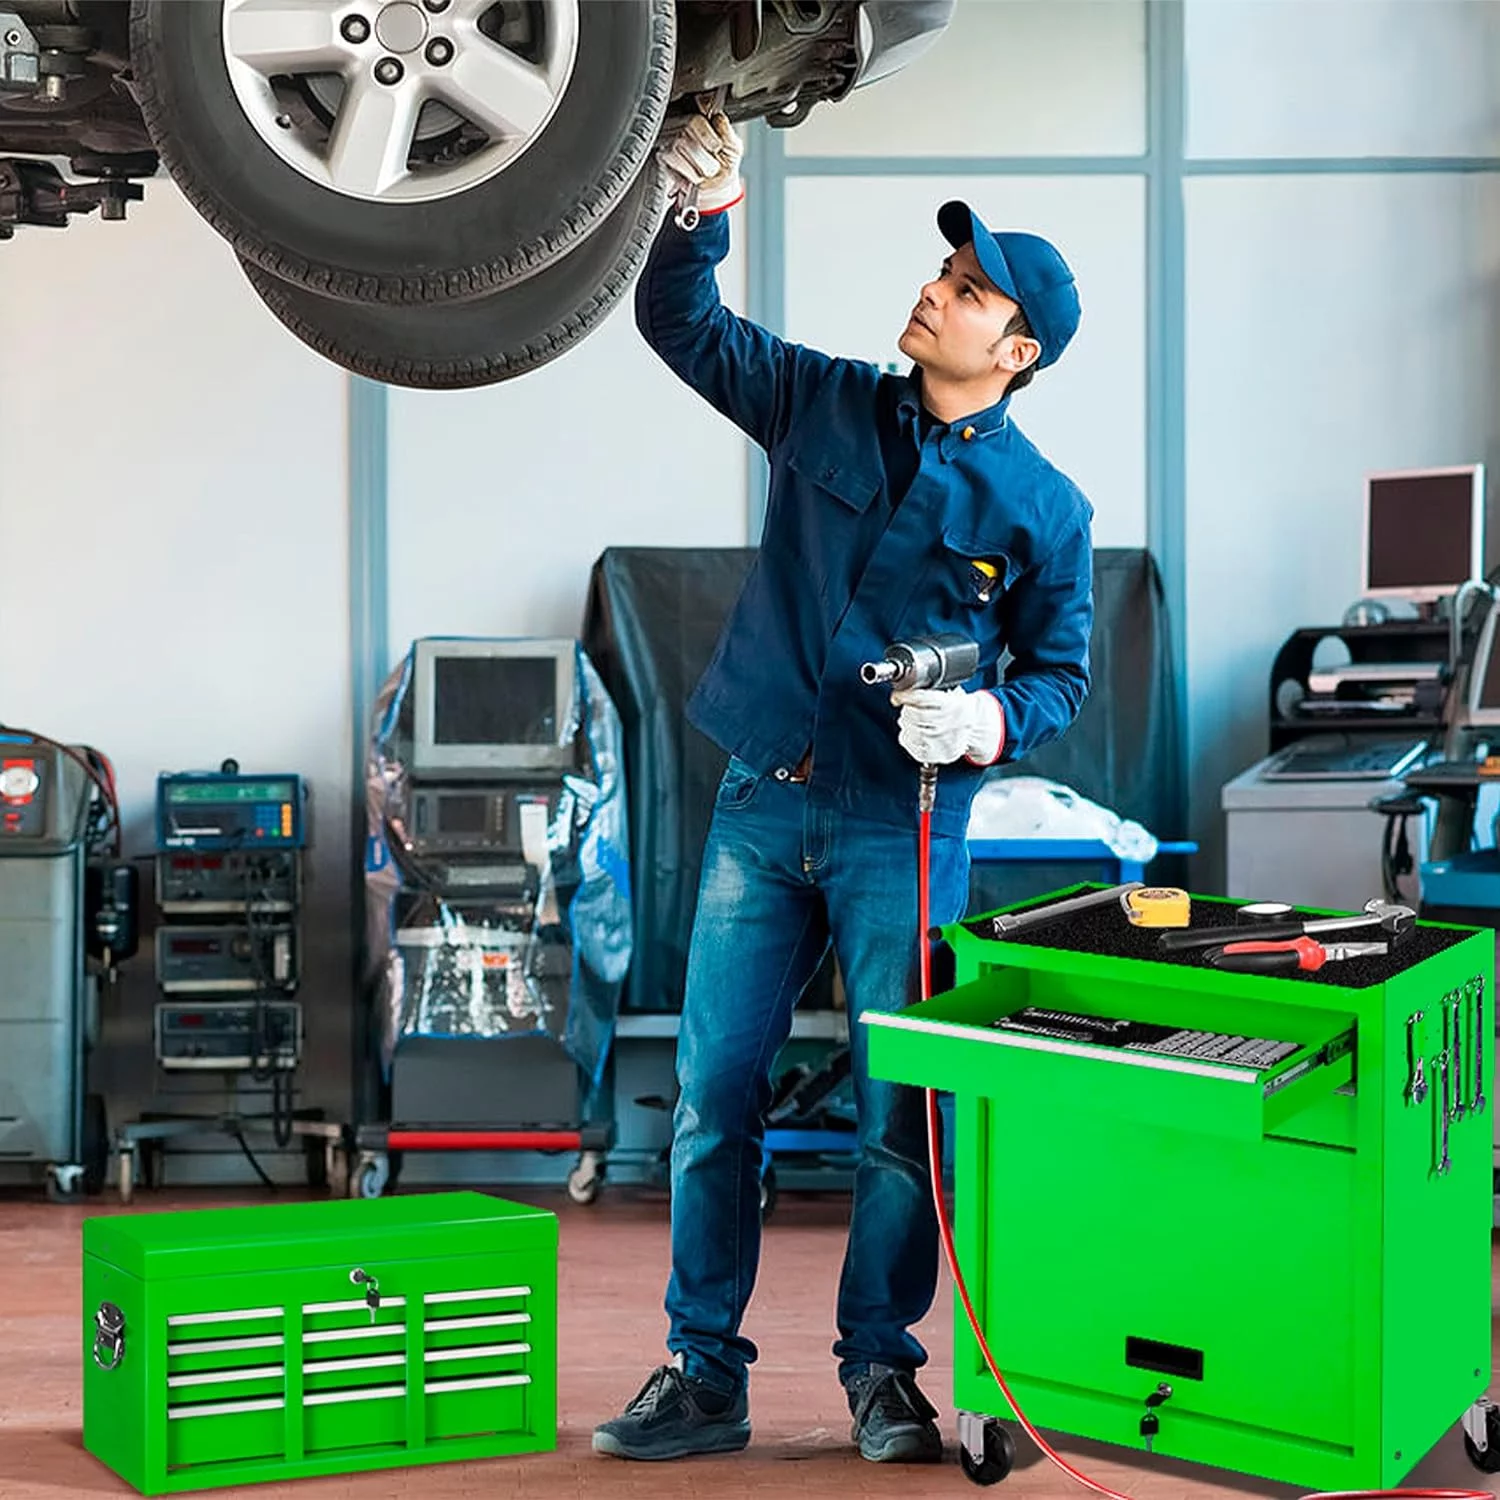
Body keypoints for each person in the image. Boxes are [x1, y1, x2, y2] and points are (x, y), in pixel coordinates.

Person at [592, 106, 1095, 1466]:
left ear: (1018, 350)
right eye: (946, 274)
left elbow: (1063, 675)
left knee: (897, 1118)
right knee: (713, 1100)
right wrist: (706, 210)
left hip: (904, 830)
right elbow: (681, 327)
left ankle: (883, 1370)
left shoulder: (1047, 511)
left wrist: (991, 718)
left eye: (970, 290)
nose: (937, 291)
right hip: (765, 801)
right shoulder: (820, 399)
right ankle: (704, 1373)